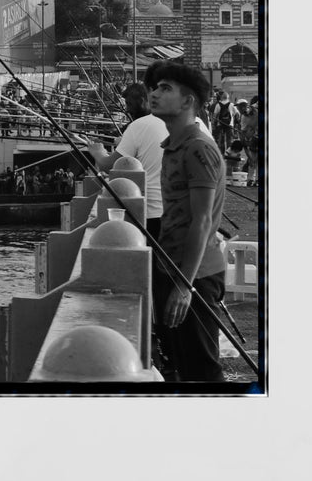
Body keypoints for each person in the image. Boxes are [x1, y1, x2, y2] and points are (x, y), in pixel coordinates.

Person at [145, 61, 227, 383]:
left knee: (203, 371)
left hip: (195, 276)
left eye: (165, 88)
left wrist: (184, 285)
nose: (154, 93)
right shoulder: (173, 145)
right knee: (180, 367)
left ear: (187, 101)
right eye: (155, 87)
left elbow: (203, 221)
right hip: (173, 268)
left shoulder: (197, 148)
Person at [82, 82, 166, 241]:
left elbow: (107, 166)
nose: (127, 109)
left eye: (129, 104)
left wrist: (97, 152)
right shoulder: (174, 122)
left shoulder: (137, 126)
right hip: (175, 210)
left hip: (149, 211)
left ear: (143, 100)